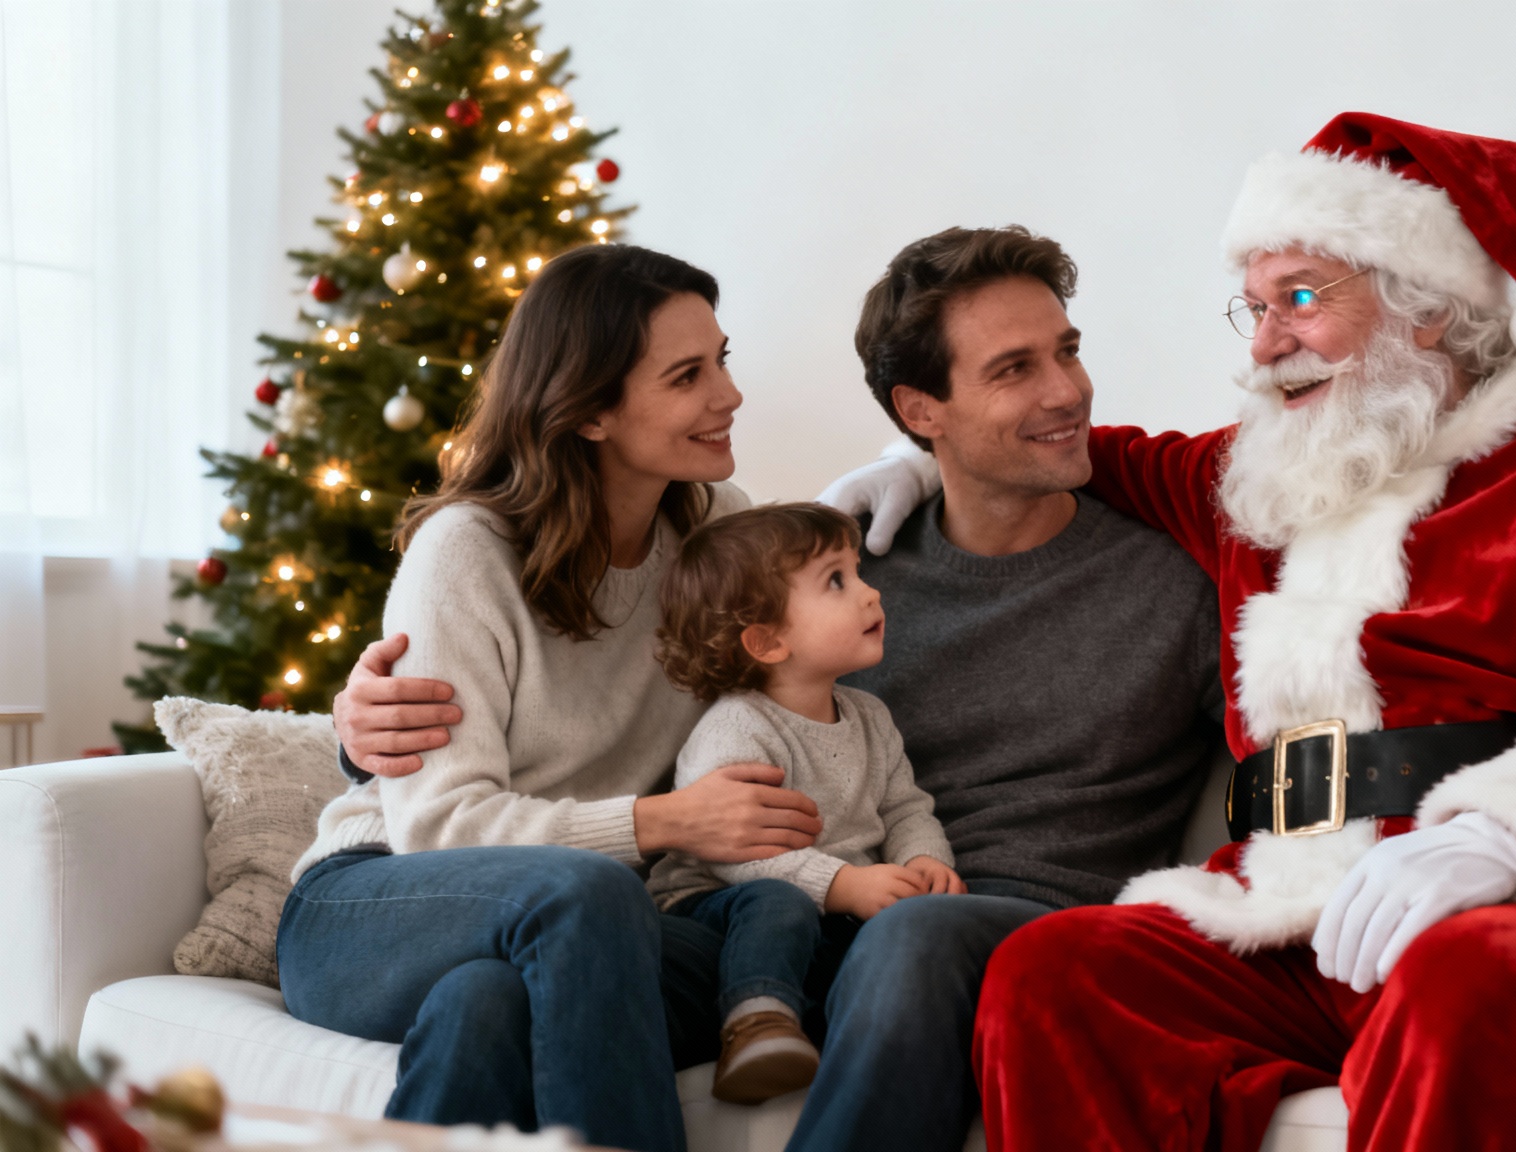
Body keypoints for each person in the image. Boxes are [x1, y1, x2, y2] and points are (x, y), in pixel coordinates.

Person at [948, 113, 1516, 1151]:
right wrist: (925, 464)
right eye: (1254, 308)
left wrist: (1505, 838)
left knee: (1470, 978)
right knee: (1056, 974)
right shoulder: (1264, 474)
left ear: (1428, 307)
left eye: (1300, 299)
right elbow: (1090, 460)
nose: (1264, 344)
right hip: (1304, 915)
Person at [332, 224, 1227, 1152]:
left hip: (989, 925)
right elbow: (691, 715)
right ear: (920, 410)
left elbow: (1293, 739)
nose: (1068, 390)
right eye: (1013, 369)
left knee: (908, 935)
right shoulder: (837, 576)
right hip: (801, 911)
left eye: (1068, 351)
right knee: (491, 1000)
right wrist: (358, 734)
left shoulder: (1173, 583)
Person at [278, 243, 825, 1152]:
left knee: (486, 1005)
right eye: (687, 375)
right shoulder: (467, 551)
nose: (729, 395)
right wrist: (664, 821)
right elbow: (438, 827)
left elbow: (831, 594)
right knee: (586, 892)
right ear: (591, 409)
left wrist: (912, 471)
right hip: (380, 903)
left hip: (586, 928)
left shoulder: (718, 528)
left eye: (721, 360)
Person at [644, 502, 960, 1105]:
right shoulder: (739, 728)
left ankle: (836, 1033)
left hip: (828, 906)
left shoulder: (870, 716)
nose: (870, 593)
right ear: (767, 640)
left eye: (857, 571)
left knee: (875, 946)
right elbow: (735, 853)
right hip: (719, 901)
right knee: (779, 902)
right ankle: (755, 1023)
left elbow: (904, 808)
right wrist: (843, 884)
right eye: (837, 581)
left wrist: (924, 860)